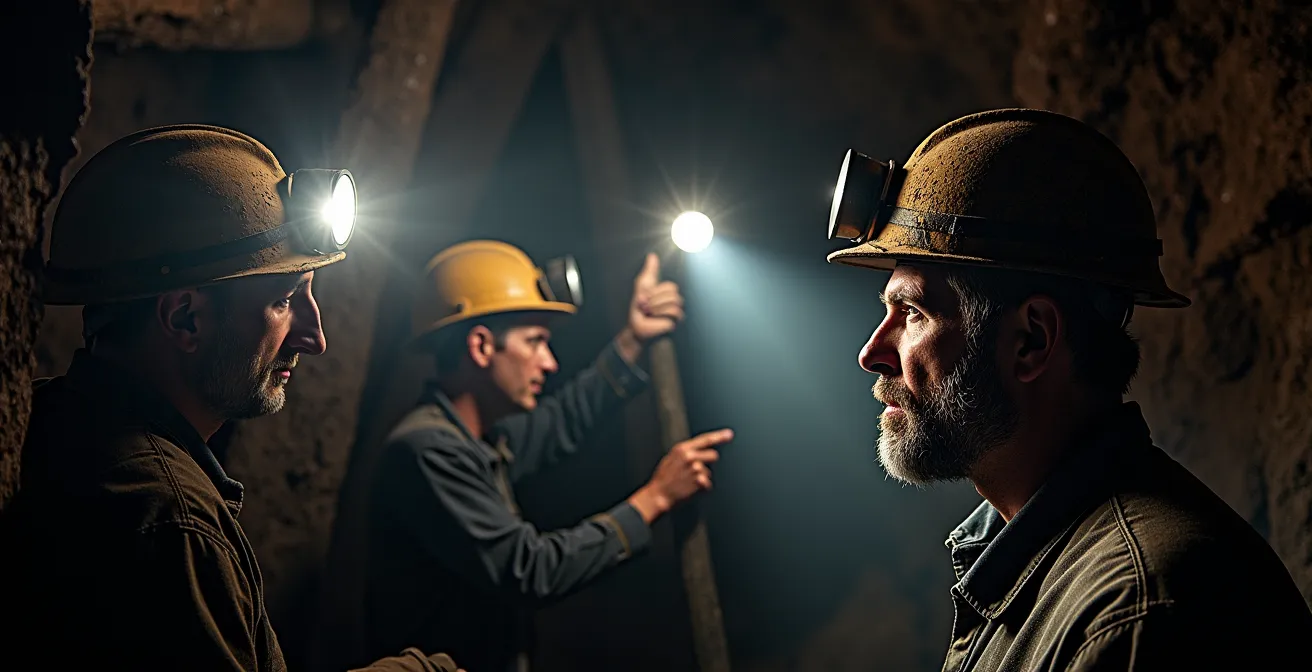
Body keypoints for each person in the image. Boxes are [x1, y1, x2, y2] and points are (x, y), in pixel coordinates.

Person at [824, 108, 1312, 670]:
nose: (871, 353)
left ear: (1031, 340)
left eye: (912, 312)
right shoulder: (1029, 560)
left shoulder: (1137, 614)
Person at [1, 125, 459, 672]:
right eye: (286, 300)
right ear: (185, 317)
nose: (315, 338)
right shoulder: (170, 521)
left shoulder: (51, 419)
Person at [353, 240, 733, 672]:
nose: (549, 363)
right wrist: (656, 498)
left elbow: (563, 420)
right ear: (480, 347)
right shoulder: (426, 450)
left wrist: (632, 340)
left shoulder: (479, 440)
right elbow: (531, 570)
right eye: (534, 342)